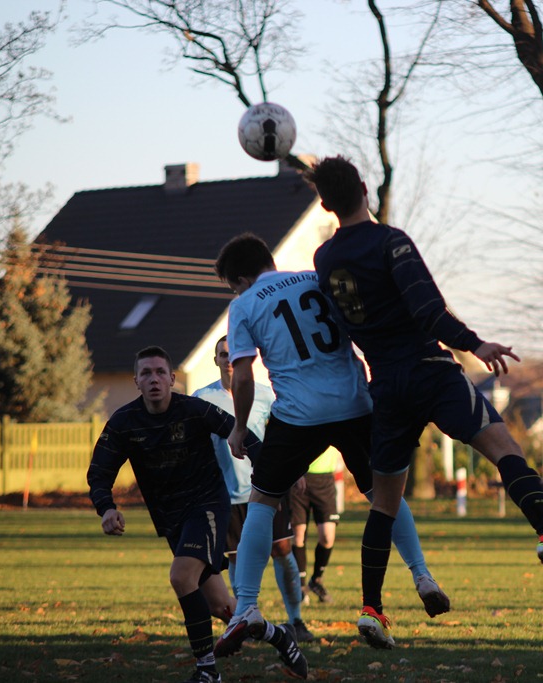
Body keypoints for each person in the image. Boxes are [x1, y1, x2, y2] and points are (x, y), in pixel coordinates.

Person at [306, 155, 543, 651]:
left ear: (325, 204)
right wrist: (475, 343)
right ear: (364, 187)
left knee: (384, 504)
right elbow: (427, 309)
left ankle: (372, 610)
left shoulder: (323, 259)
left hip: (384, 385)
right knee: (504, 447)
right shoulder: (391, 241)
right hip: (429, 370)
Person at [212, 233, 448, 672]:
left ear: (241, 279)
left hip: (299, 412)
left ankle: (246, 606)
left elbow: (242, 377)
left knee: (262, 499)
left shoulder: (244, 305)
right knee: (385, 492)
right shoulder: (314, 279)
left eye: (234, 286)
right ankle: (421, 574)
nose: (236, 294)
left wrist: (241, 427)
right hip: (355, 401)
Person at [87, 346, 237, 683]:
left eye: (159, 372)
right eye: (146, 374)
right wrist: (107, 508)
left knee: (180, 577)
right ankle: (276, 634)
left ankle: (207, 670)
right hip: (172, 518)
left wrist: (270, 471)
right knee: (220, 605)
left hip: (208, 505)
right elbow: (98, 473)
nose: (153, 379)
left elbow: (237, 431)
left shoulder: (194, 409)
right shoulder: (125, 422)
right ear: (137, 382)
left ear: (172, 378)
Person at [192, 336, 313, 642]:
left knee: (282, 549)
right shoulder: (202, 398)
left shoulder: (266, 396)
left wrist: (296, 469)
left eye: (234, 356)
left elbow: (285, 435)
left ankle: (296, 619)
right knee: (236, 558)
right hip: (226, 493)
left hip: (268, 486)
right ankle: (246, 617)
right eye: (223, 355)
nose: (229, 361)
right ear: (216, 360)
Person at [291, 449, 341, 604]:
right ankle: (300, 585)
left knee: (327, 536)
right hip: (298, 476)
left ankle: (316, 580)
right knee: (298, 533)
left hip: (325, 480)